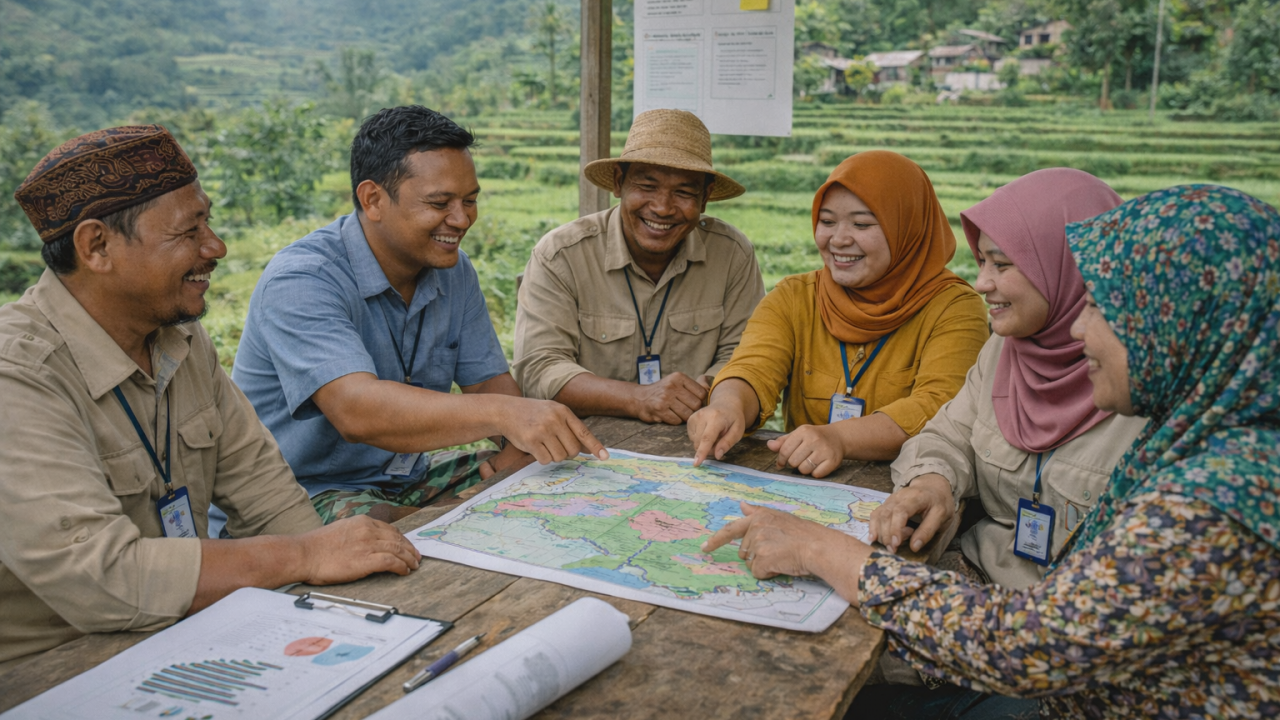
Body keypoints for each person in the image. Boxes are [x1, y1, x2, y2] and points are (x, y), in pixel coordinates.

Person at [703, 184, 1280, 718]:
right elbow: (948, 433)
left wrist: (823, 551)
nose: (1081, 330)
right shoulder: (1202, 436)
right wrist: (934, 481)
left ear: (1182, 325)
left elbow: (1029, 647)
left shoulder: (1218, 498)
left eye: (1104, 309)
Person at [0, 126, 421, 671]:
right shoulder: (19, 375)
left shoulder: (180, 338)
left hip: (188, 635)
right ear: (96, 246)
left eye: (209, 221)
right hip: (54, 668)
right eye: (188, 231)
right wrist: (305, 555)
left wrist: (334, 570)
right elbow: (101, 579)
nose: (215, 247)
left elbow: (268, 497)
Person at [228, 106, 606, 528]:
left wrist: (519, 443)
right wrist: (507, 416)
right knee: (386, 530)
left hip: (402, 477)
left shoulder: (453, 270)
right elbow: (356, 411)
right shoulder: (303, 280)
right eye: (439, 203)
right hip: (298, 492)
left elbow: (486, 381)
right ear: (373, 199)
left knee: (556, 476)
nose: (461, 220)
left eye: (470, 200)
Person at [872, 169, 1148, 587]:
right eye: (982, 261)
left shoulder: (1145, 385)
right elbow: (948, 434)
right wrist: (932, 482)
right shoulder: (1007, 347)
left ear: (1069, 268)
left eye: (1002, 264)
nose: (982, 282)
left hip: (1067, 615)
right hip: (976, 574)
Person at [688, 151, 989, 473]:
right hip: (803, 483)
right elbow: (753, 366)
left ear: (908, 226)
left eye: (861, 224)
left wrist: (839, 439)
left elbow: (939, 407)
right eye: (827, 221)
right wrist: (727, 405)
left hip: (909, 487)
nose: (839, 239)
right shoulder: (793, 298)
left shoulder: (954, 308)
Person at [512, 109, 765, 425]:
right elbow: (539, 367)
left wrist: (708, 394)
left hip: (696, 440)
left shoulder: (731, 255)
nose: (662, 207)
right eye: (647, 186)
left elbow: (746, 356)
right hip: (586, 446)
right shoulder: (562, 256)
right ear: (619, 183)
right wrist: (638, 399)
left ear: (705, 198)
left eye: (684, 192)